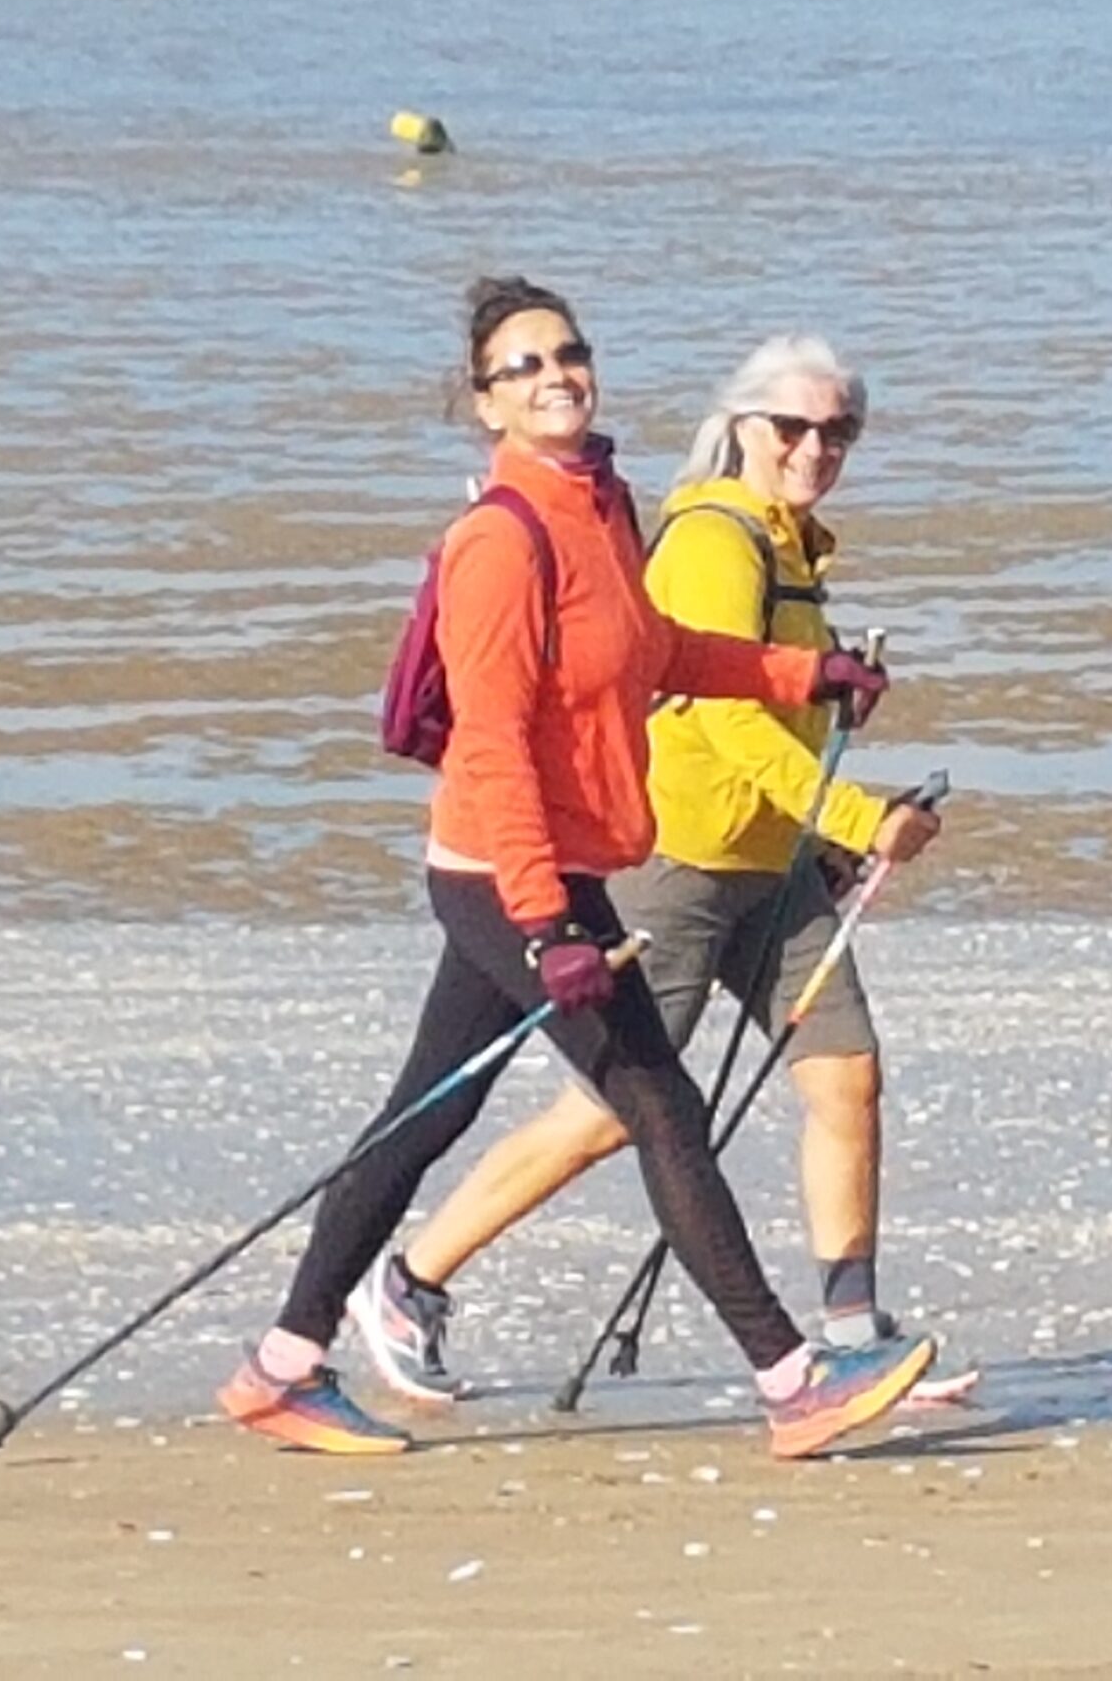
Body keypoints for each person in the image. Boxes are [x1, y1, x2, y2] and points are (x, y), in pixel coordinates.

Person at [215, 279, 934, 1459]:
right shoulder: (499, 541)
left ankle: (280, 1366)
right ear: (484, 400)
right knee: (660, 1104)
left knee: (418, 1118)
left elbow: (653, 650)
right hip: (509, 871)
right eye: (523, 365)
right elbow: (491, 742)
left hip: (553, 864)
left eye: (569, 353)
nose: (555, 375)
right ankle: (791, 1378)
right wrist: (548, 924)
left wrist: (802, 677)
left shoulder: (599, 510)